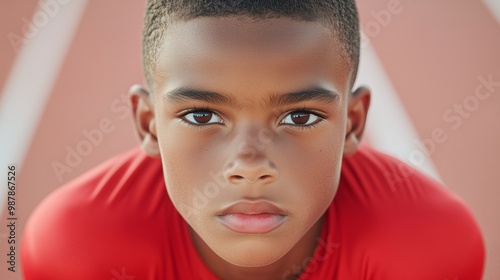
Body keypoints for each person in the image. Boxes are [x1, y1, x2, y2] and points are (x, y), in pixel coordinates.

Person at [21, 1, 485, 279]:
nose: (248, 164)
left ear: (353, 122)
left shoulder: (428, 249)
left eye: (300, 116)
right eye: (202, 115)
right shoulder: (77, 250)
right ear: (148, 124)